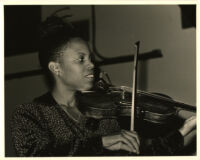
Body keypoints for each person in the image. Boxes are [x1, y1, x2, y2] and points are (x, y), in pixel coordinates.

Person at [10, 16, 196, 157]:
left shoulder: (103, 116)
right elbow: (36, 155)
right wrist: (100, 143)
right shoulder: (30, 114)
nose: (92, 65)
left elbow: (143, 153)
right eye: (81, 59)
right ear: (56, 68)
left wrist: (184, 130)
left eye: (91, 59)